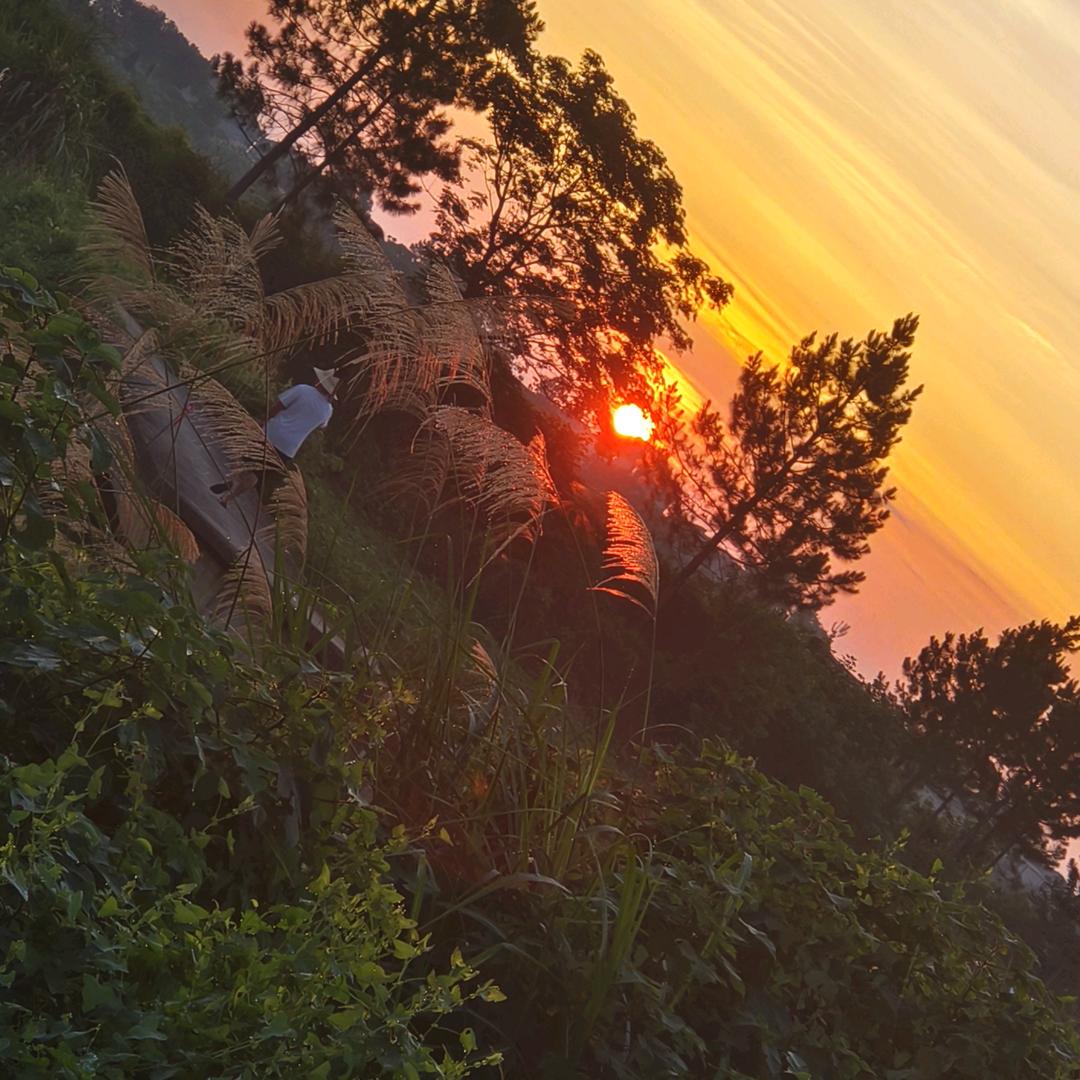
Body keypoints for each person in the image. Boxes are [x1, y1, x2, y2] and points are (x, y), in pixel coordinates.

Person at [211, 367, 338, 507]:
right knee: (257, 474)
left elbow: (278, 406)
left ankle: (234, 480)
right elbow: (322, 426)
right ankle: (227, 498)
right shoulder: (328, 410)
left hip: (272, 433)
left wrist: (263, 421)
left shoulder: (303, 390)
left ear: (320, 381)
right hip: (288, 449)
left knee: (243, 455)